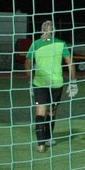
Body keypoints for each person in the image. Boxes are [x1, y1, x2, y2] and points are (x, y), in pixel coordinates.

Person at [25, 20, 76, 153]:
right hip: (56, 83)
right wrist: (73, 82)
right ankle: (47, 138)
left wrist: (30, 81)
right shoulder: (61, 43)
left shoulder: (35, 44)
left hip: (40, 83)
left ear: (42, 30)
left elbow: (27, 63)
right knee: (51, 112)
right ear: (54, 30)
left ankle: (41, 143)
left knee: (40, 112)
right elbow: (70, 63)